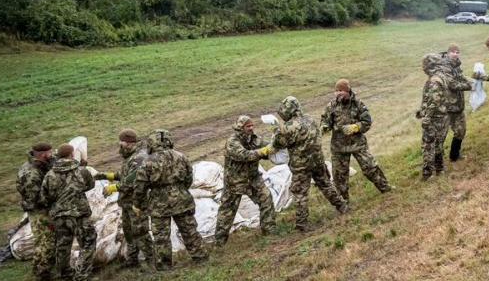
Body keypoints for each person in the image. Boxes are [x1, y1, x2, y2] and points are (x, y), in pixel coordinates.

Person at [272, 96, 348, 231]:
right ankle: (342, 206)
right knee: (326, 184)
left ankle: (302, 223)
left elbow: (278, 143)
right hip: (317, 160)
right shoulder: (310, 119)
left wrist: (276, 130)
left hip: (301, 165)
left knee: (300, 193)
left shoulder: (288, 127)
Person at [138, 130, 207, 269]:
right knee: (189, 231)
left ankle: (164, 266)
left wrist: (139, 204)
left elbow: (140, 186)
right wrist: (179, 189)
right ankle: (200, 257)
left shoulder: (148, 162)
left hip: (159, 204)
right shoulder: (181, 156)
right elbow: (189, 178)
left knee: (161, 238)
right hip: (182, 199)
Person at [320, 79, 390, 202]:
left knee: (370, 167)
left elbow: (367, 122)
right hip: (339, 147)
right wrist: (325, 127)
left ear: (348, 91)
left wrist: (356, 127)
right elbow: (325, 121)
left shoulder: (358, 104)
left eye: (341, 91)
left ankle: (385, 188)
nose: (338, 93)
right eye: (336, 91)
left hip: (358, 144)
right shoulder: (331, 106)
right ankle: (343, 203)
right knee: (339, 177)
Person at [92, 130, 152, 267]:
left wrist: (113, 187)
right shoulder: (131, 157)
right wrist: (107, 176)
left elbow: (133, 180)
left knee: (141, 233)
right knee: (128, 232)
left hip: (137, 202)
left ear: (130, 143)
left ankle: (152, 262)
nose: (120, 147)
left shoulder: (139, 158)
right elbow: (125, 174)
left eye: (122, 144)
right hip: (127, 203)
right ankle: (132, 260)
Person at [216, 116, 277, 246]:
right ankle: (220, 243)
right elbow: (244, 155)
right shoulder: (232, 141)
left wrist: (277, 142)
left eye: (252, 125)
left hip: (253, 178)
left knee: (266, 199)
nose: (251, 128)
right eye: (247, 126)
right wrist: (263, 151)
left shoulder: (254, 139)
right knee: (227, 212)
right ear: (240, 128)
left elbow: (268, 146)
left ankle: (269, 232)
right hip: (235, 182)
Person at [42, 143, 97, 281]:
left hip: (60, 216)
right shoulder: (82, 171)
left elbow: (44, 197)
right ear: (72, 154)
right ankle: (82, 275)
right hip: (80, 215)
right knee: (88, 242)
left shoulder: (49, 175)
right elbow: (90, 185)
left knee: (62, 246)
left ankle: (65, 276)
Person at [16, 143, 55, 281]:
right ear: (44, 154)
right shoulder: (32, 173)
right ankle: (42, 272)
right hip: (39, 211)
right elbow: (35, 198)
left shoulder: (35, 166)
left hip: (39, 210)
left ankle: (39, 268)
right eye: (50, 153)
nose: (53, 155)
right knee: (46, 241)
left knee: (42, 240)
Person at [417, 53, 449, 179]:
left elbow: (434, 101)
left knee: (428, 145)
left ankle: (428, 174)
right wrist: (422, 111)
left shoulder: (434, 80)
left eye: (424, 65)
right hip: (442, 116)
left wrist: (427, 117)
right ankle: (440, 169)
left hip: (435, 118)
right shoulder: (441, 76)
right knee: (438, 144)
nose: (423, 68)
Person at [439, 44, 472, 163]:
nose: (455, 54)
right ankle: (436, 161)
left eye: (457, 52)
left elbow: (461, 77)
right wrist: (469, 86)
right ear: (448, 53)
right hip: (447, 107)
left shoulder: (456, 66)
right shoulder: (445, 67)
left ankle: (454, 155)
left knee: (461, 131)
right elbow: (452, 84)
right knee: (441, 135)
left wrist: (470, 80)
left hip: (457, 105)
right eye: (453, 51)